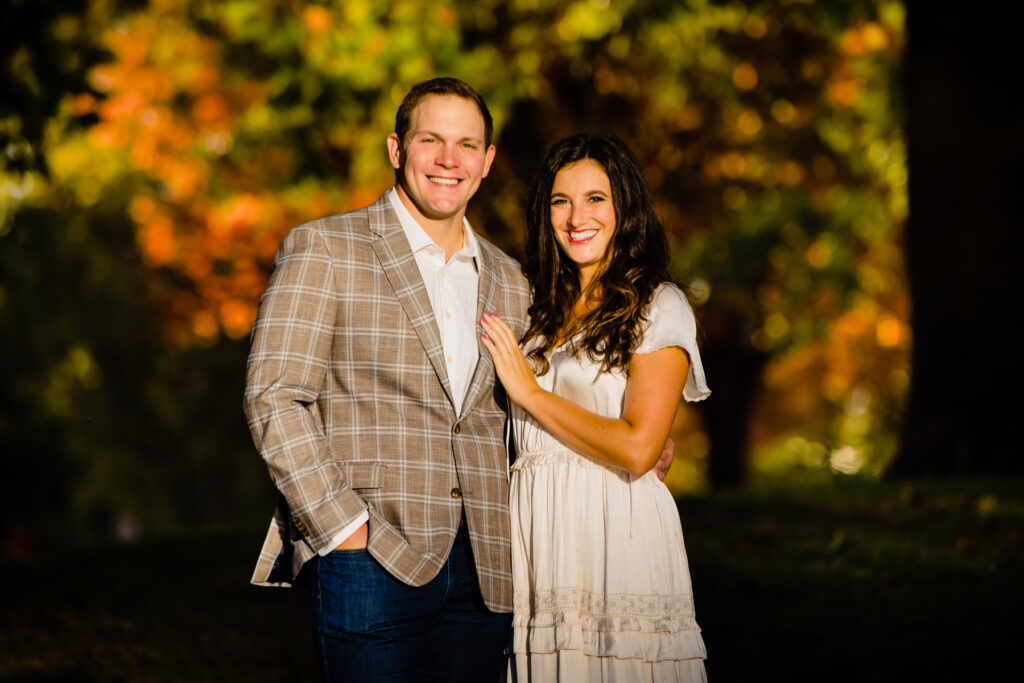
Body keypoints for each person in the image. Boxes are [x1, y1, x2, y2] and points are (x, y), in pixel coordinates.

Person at [243, 77, 531, 682]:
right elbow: (275, 394)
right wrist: (343, 526)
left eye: (467, 144)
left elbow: (526, 411)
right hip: (369, 562)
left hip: (488, 571)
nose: (449, 159)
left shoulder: (510, 279)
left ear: (487, 161)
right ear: (397, 149)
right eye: (432, 140)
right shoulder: (326, 248)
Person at [480, 133, 711, 682]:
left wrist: (532, 394)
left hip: (616, 531)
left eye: (595, 199)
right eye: (561, 201)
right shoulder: (535, 306)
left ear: (624, 207)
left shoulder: (660, 303)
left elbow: (636, 450)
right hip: (537, 531)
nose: (576, 216)